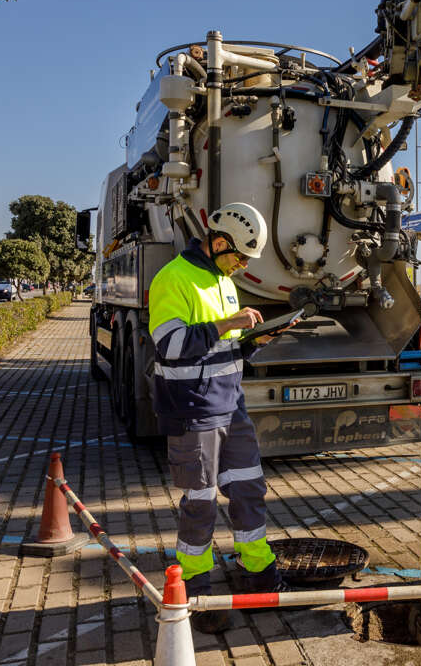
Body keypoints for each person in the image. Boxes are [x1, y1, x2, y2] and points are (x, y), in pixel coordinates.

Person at [148, 202, 294, 633]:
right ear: (217, 242)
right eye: (240, 256)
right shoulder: (173, 278)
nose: (243, 265)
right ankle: (197, 593)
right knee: (201, 504)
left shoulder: (223, 281)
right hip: (194, 412)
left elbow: (224, 349)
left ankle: (261, 578)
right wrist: (229, 322)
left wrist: (254, 340)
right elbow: (170, 346)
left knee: (248, 491)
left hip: (232, 406)